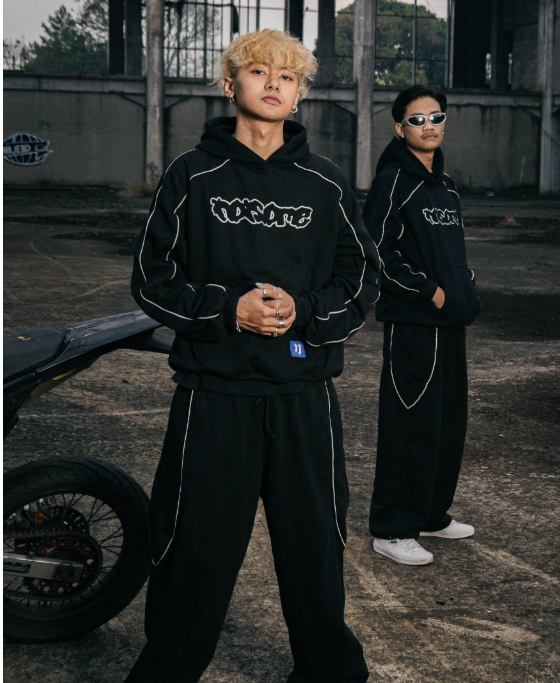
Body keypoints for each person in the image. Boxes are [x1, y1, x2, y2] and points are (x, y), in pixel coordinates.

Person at [124, 28, 379, 683]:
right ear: (228, 83)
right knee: (193, 552)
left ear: (298, 95)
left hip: (303, 397)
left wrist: (306, 311)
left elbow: (360, 278)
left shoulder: (326, 183)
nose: (273, 83)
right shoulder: (192, 175)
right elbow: (152, 279)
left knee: (315, 549)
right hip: (214, 396)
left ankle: (328, 673)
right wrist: (227, 310)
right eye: (259, 70)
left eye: (287, 76)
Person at [363, 85, 481, 566]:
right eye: (417, 119)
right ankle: (392, 528)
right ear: (400, 128)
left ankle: (431, 514)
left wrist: (463, 290)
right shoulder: (393, 181)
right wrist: (430, 292)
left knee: (447, 423)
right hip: (414, 324)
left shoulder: (445, 186)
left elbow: (453, 254)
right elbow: (376, 252)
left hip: (449, 324)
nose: (428, 126)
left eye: (436, 117)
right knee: (410, 424)